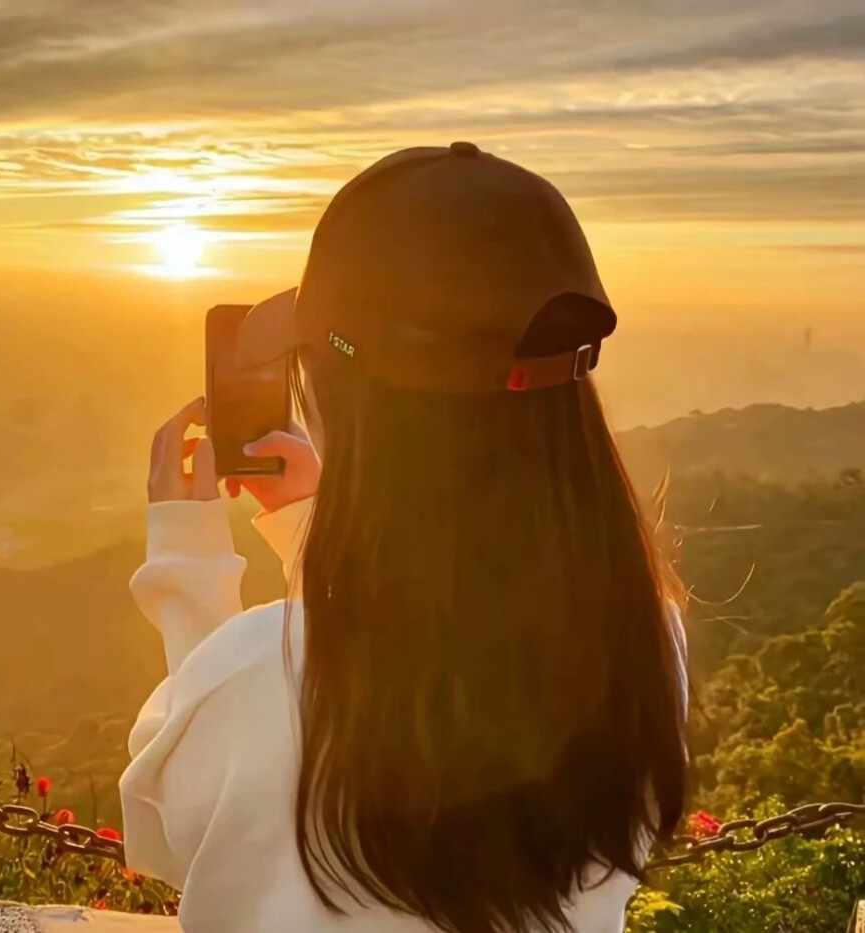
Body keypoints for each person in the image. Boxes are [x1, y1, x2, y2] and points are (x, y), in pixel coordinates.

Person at [119, 142, 689, 933]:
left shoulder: (256, 673)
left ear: (342, 395)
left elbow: (180, 829)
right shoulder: (647, 642)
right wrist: (312, 528)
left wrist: (189, 569)